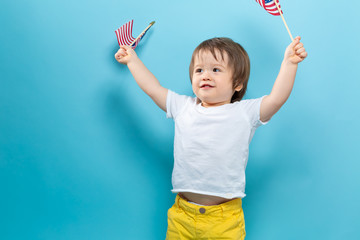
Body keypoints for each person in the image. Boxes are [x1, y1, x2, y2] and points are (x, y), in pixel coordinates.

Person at [115, 36, 307, 239]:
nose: (205, 75)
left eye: (216, 70)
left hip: (224, 220)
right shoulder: (183, 107)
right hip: (183, 215)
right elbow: (153, 88)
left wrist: (289, 63)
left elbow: (276, 99)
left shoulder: (244, 112)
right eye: (199, 70)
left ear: (238, 84)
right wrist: (132, 61)